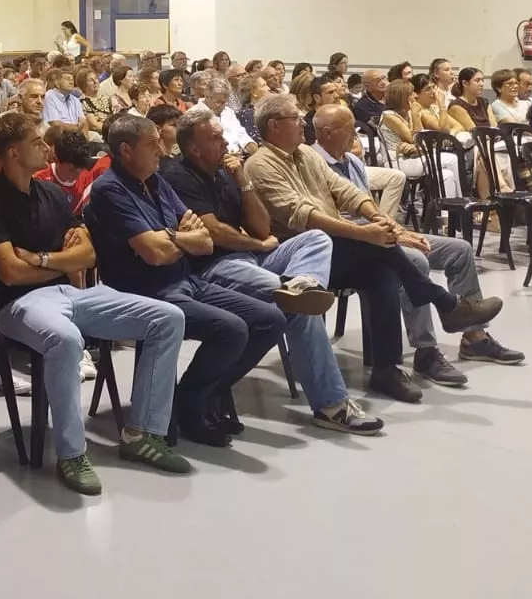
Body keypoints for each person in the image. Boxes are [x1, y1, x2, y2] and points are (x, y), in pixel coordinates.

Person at [0, 111, 190, 493]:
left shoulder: (52, 194)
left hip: (71, 294)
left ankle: (142, 434)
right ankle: (71, 453)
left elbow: (87, 255)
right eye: (36, 142)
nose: (45, 147)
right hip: (18, 306)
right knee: (66, 339)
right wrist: (60, 263)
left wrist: (41, 259)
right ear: (14, 153)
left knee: (167, 317)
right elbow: (10, 274)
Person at [244, 92, 501, 404]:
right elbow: (300, 215)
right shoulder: (260, 165)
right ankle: (444, 303)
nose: (302, 123)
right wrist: (364, 233)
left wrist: (378, 218)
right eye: (295, 118)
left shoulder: (305, 155)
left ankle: (386, 368)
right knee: (379, 249)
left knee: (382, 273)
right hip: (302, 260)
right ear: (274, 125)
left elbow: (345, 190)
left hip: (336, 249)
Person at [163, 109, 382, 435]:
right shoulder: (179, 176)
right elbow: (212, 233)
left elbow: (261, 226)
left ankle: (303, 284)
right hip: (214, 268)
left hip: (250, 258)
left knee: (315, 239)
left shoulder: (226, 173)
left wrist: (243, 181)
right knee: (296, 306)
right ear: (194, 148)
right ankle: (332, 405)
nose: (225, 142)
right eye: (216, 138)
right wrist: (257, 243)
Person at [85, 113, 287, 446]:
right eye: (152, 144)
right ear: (126, 150)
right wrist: (180, 236)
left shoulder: (155, 181)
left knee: (270, 318)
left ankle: (195, 398)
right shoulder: (109, 189)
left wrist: (171, 237)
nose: (161, 151)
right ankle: (193, 409)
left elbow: (205, 240)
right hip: (145, 291)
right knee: (231, 329)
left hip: (186, 280)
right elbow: (154, 254)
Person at [312, 105, 522, 382]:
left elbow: (371, 208)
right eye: (349, 127)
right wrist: (393, 235)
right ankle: (426, 352)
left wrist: (401, 231)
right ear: (327, 132)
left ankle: (474, 337)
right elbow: (332, 220)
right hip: (355, 244)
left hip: (382, 233)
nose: (356, 133)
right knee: (416, 260)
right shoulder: (313, 165)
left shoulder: (352, 161)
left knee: (459, 250)